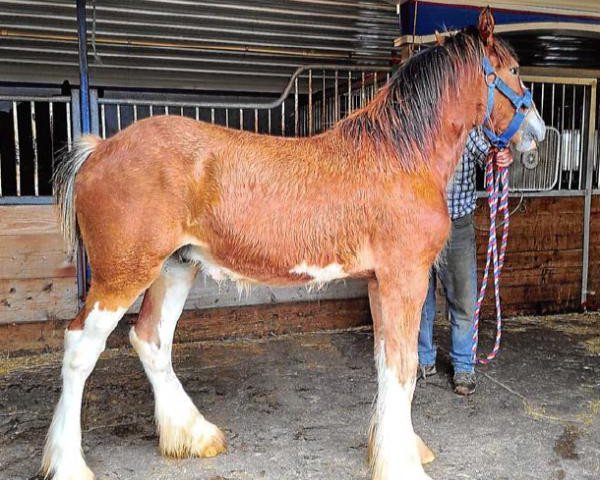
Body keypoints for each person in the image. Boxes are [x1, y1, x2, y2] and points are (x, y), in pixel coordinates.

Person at [418, 128, 513, 396]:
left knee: (463, 299)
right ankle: (422, 359)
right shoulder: (423, 127)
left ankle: (463, 366)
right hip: (421, 225)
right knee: (419, 297)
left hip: (457, 225)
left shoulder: (468, 132)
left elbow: (489, 156)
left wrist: (501, 157)